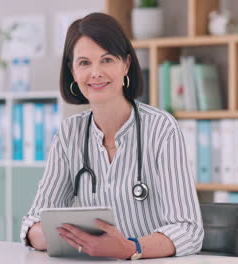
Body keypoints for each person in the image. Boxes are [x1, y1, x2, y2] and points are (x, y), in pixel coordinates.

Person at [20, 12, 203, 260]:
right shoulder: (69, 134)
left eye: (106, 60)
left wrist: (130, 248)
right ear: (72, 71)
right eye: (84, 63)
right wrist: (71, 240)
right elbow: (33, 222)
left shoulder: (161, 129)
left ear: (126, 64)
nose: (95, 72)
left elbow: (188, 230)